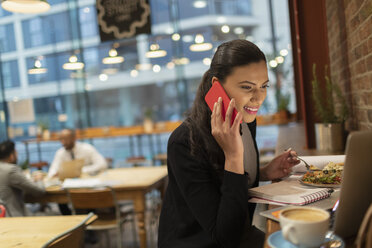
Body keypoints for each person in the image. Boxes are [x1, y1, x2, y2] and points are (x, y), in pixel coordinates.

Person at [158, 39, 300, 248]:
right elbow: (226, 237)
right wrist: (233, 156)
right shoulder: (184, 142)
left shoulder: (244, 119)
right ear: (217, 86)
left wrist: (263, 173)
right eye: (246, 87)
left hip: (239, 234)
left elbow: (221, 182)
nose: (258, 98)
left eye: (264, 86)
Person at [48, 128, 108, 216]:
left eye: (65, 139)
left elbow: (102, 164)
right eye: (61, 139)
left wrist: (82, 170)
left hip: (87, 186)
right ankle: (70, 223)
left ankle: (90, 223)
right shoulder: (60, 153)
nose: (62, 143)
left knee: (89, 197)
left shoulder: (87, 149)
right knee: (60, 199)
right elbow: (52, 171)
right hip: (69, 187)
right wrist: (55, 173)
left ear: (74, 138)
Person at [0, 140, 45, 217]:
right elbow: (39, 191)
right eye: (16, 152)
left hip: (3, 217)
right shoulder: (11, 170)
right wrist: (39, 179)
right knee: (49, 215)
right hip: (14, 217)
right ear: (11, 156)